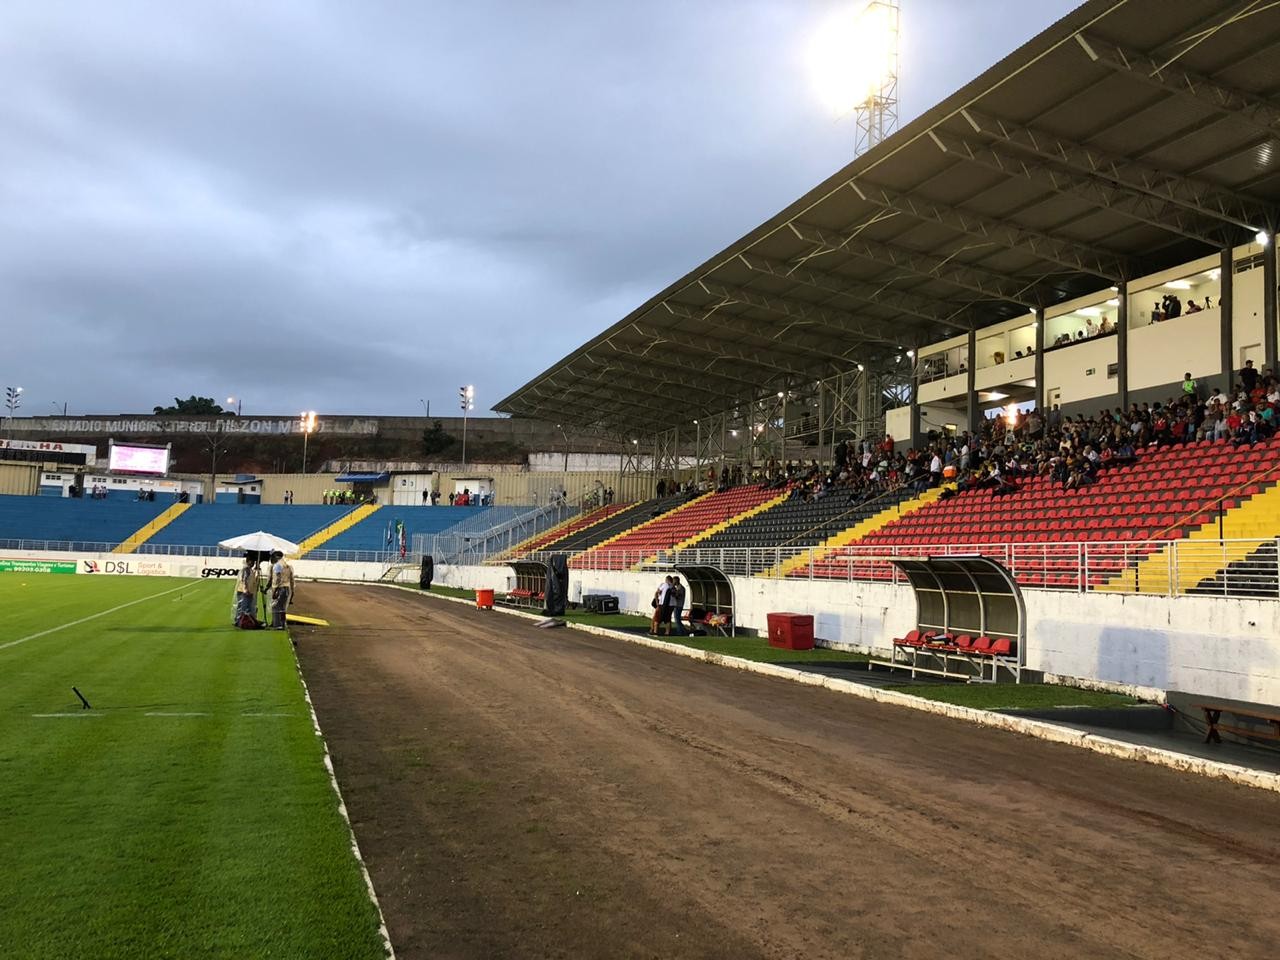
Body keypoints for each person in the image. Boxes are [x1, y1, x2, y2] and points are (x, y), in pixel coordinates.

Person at [269, 550, 295, 630]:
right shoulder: (288, 566)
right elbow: (292, 580)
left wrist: (275, 590)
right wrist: (292, 592)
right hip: (287, 588)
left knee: (276, 607)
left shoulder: (277, 565)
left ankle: (277, 624)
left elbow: (278, 578)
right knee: (282, 607)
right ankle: (281, 624)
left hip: (280, 588)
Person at [234, 556, 259, 626]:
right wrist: (246, 589)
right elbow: (244, 580)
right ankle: (239, 620)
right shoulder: (246, 570)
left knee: (245, 607)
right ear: (248, 561)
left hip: (248, 590)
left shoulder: (250, 570)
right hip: (243, 591)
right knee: (242, 607)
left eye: (254, 562)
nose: (253, 563)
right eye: (252, 562)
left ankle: (241, 620)